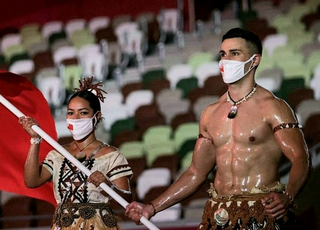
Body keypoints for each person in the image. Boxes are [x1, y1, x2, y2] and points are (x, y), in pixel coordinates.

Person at [125, 28, 312, 229]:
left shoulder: (273, 107)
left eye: (235, 53)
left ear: (255, 60)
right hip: (220, 215)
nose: (226, 60)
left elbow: (301, 157)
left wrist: (288, 195)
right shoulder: (211, 113)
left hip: (262, 214)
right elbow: (196, 172)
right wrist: (151, 208)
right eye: (223, 54)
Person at [20, 76, 133, 230]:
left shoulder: (111, 155)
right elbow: (31, 181)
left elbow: (127, 201)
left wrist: (108, 185)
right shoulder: (58, 153)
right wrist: (35, 140)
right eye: (71, 113)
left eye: (83, 113)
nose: (76, 118)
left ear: (97, 116)